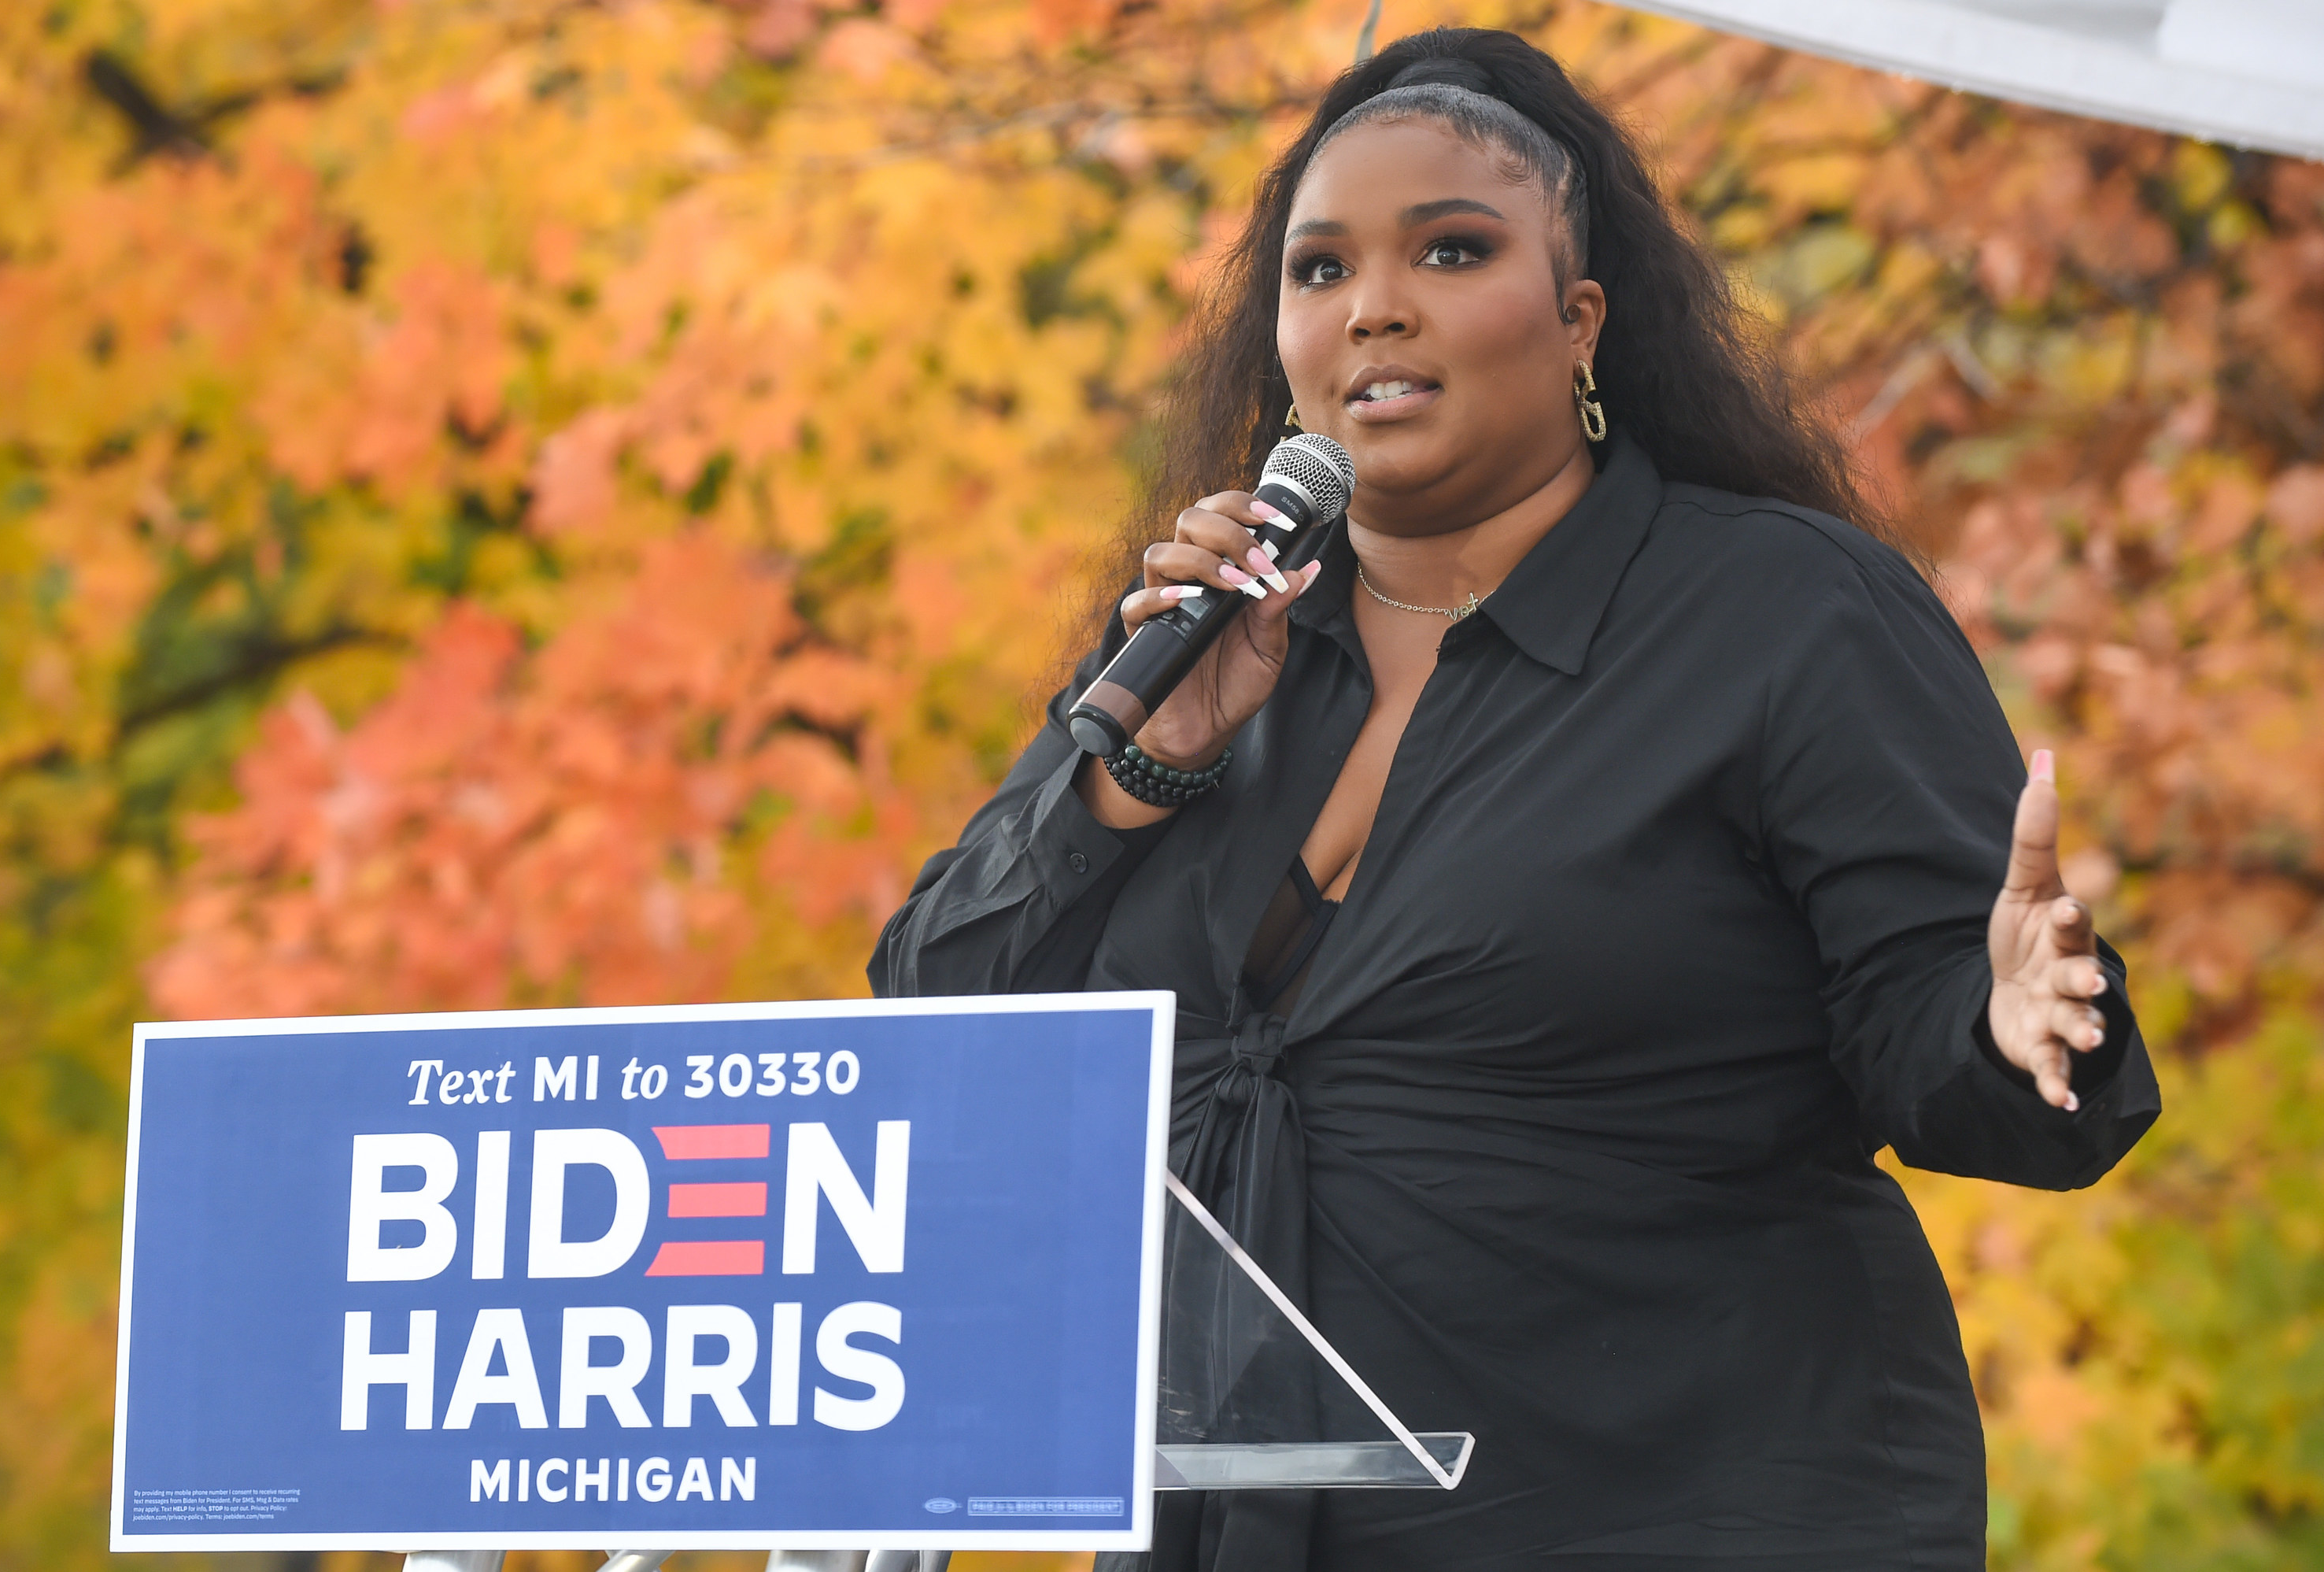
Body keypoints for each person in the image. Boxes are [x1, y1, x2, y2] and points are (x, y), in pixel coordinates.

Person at [870, 26, 2159, 1572]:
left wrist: (2010, 1020)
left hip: (1693, 1518)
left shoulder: (1776, 612)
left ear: (1580, 321)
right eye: (1321, 270)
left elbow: (1934, 1043)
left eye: (1453, 250)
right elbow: (932, 1033)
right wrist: (1148, 764)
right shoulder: (1219, 632)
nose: (1375, 309)